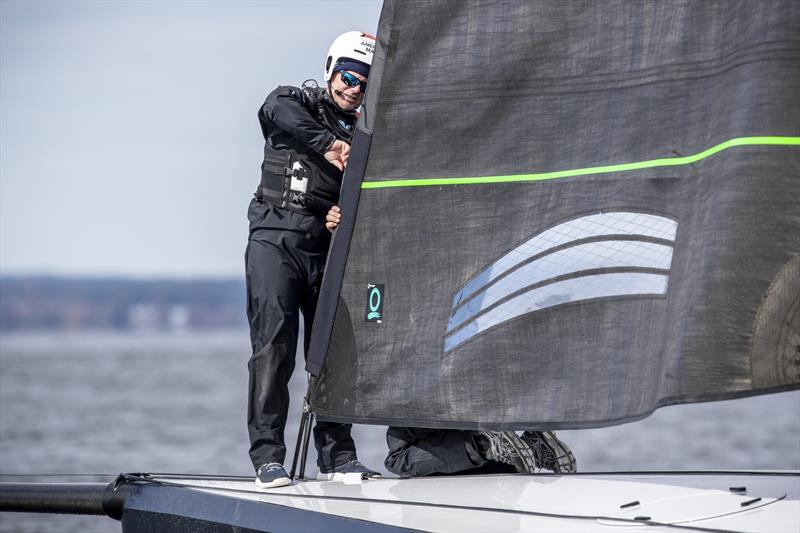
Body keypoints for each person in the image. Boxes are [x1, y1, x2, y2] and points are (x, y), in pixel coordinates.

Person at [326, 210, 577, 478]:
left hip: (426, 391)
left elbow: (372, 315)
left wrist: (347, 238)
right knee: (485, 442)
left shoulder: (395, 259)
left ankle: (483, 444)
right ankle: (525, 444)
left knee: (399, 458)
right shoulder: (472, 246)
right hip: (478, 391)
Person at [245, 31, 380, 489]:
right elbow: (271, 108)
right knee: (274, 349)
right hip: (274, 241)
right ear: (330, 70)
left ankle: (337, 458)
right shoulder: (293, 101)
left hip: (326, 248)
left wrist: (345, 212)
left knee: (332, 354)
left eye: (364, 82)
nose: (353, 88)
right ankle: (268, 458)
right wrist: (327, 144)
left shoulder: (365, 135)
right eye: (347, 76)